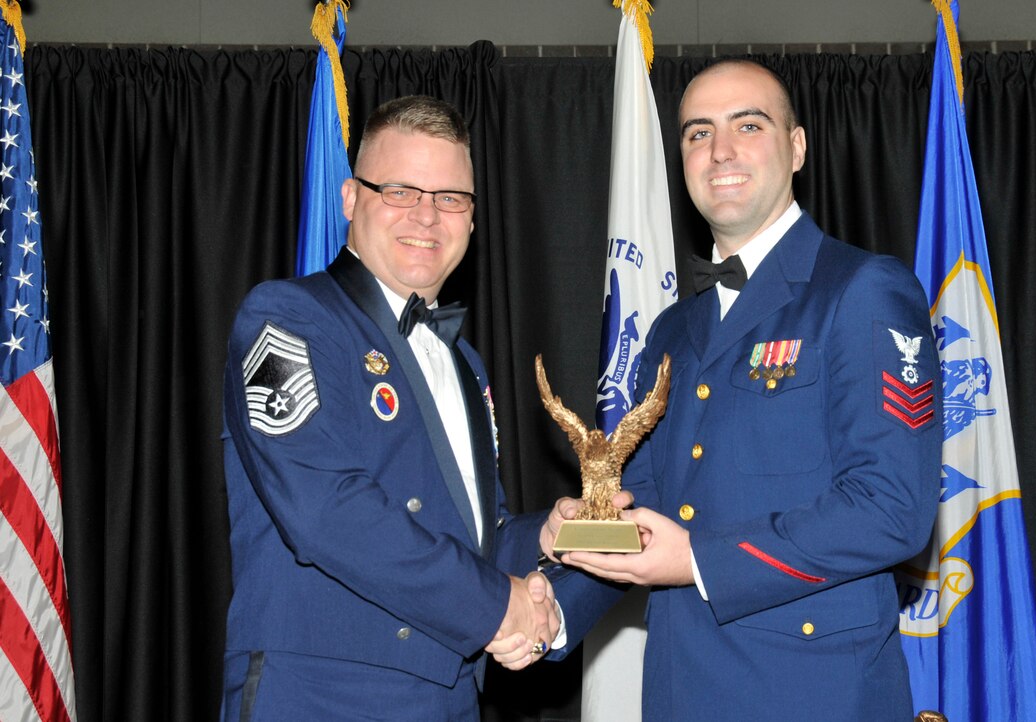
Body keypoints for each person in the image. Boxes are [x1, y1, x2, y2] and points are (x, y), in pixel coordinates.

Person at [533, 60, 943, 720]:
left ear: (797, 146)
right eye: (698, 133)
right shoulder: (674, 328)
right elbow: (657, 502)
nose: (720, 150)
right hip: (679, 691)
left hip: (815, 697)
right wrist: (556, 599)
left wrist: (699, 560)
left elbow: (892, 509)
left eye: (747, 125)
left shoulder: (861, 290)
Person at [220, 95, 557, 721]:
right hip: (322, 698)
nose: (427, 216)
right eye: (401, 190)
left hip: (451, 698)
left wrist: (550, 535)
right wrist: (494, 606)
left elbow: (476, 538)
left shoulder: (466, 363)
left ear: (473, 219)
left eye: (450, 198)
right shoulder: (285, 320)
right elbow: (324, 510)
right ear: (351, 198)